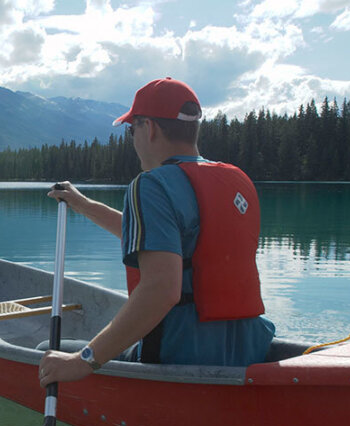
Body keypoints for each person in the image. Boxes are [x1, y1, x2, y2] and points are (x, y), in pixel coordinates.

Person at [39, 77, 275, 387]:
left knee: (46, 351)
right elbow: (163, 243)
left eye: (131, 129)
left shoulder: (151, 185)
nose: (132, 137)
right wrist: (82, 204)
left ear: (148, 128)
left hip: (178, 356)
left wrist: (83, 361)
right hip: (246, 351)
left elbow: (162, 290)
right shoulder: (236, 180)